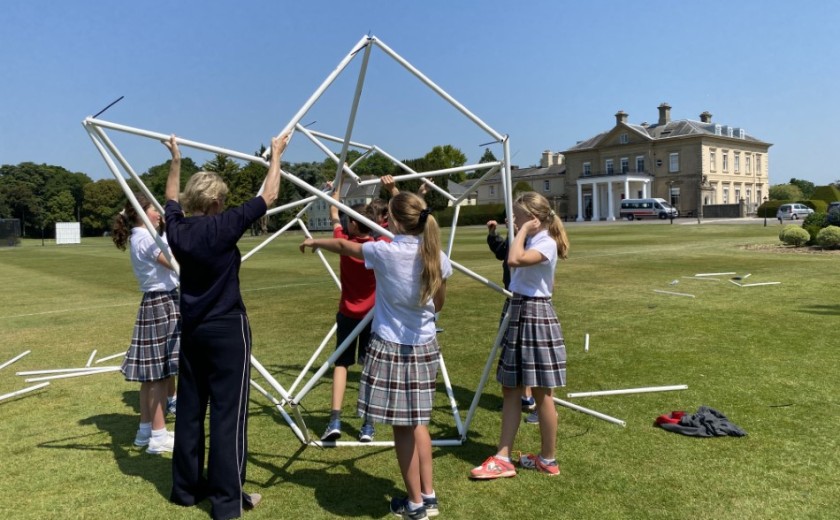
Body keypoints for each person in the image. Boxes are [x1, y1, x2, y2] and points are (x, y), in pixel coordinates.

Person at [301, 191, 451, 519]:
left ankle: (414, 504)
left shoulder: (384, 253)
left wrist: (316, 243)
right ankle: (429, 495)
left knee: (402, 428)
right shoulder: (436, 255)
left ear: (392, 221)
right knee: (419, 424)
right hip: (425, 347)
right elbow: (439, 304)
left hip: (392, 347)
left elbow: (344, 246)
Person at [164, 132, 289, 520]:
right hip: (227, 329)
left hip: (192, 330)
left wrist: (175, 160)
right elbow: (269, 196)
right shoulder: (223, 225)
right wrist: (276, 157)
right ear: (217, 202)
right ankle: (227, 501)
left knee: (189, 409)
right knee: (227, 415)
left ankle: (185, 490)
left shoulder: (178, 230)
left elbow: (169, 200)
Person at [470, 191, 569, 480]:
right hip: (523, 309)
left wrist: (523, 230)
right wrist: (521, 230)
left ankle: (547, 458)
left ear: (533, 218)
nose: (514, 220)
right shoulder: (535, 239)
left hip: (534, 314)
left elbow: (513, 260)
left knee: (541, 392)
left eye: (519, 216)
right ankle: (504, 456)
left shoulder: (545, 242)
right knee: (511, 388)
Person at [111, 194, 180, 455]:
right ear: (142, 213)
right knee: (158, 374)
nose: (160, 214)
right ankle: (158, 436)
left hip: (156, 302)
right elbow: (174, 265)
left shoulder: (143, 236)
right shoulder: (146, 238)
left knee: (151, 375)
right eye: (155, 209)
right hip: (161, 303)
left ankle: (145, 430)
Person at [320, 183, 378, 443]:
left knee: (342, 365)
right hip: (372, 316)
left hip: (348, 314)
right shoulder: (379, 246)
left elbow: (334, 214)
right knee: (369, 368)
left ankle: (335, 418)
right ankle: (367, 424)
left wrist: (334, 190)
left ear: (354, 225)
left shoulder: (344, 241)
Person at [486, 217, 538, 423]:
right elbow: (503, 252)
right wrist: (493, 234)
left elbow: (517, 258)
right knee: (513, 350)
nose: (510, 219)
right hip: (512, 298)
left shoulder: (531, 238)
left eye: (515, 216)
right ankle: (524, 397)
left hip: (526, 299)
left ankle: (536, 403)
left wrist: (519, 232)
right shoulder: (516, 236)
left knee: (529, 354)